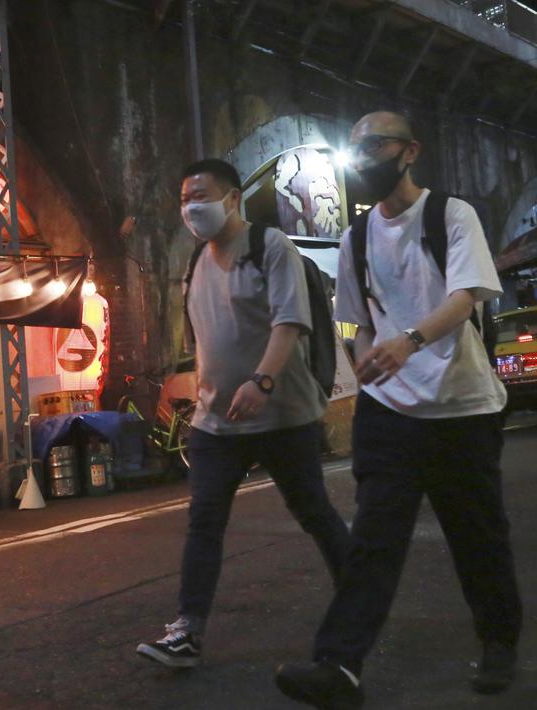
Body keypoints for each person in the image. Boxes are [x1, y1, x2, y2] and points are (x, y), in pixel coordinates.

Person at [275, 112, 522, 707]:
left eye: (375, 145)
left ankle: (499, 642)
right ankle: (339, 667)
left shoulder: (450, 215)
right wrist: (366, 358)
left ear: (409, 151)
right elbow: (357, 320)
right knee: (374, 541)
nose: (364, 156)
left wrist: (407, 341)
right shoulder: (354, 238)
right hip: (390, 413)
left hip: (462, 408)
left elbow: (465, 299)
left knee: (476, 536)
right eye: (356, 148)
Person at [136, 158, 350, 669]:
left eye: (201, 195)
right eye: (185, 198)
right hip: (217, 423)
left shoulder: (270, 247)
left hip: (283, 416)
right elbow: (208, 339)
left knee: (314, 512)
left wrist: (263, 380)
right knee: (204, 523)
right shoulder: (196, 260)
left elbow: (290, 322)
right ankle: (186, 631)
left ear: (232, 197)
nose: (191, 207)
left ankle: (361, 595)